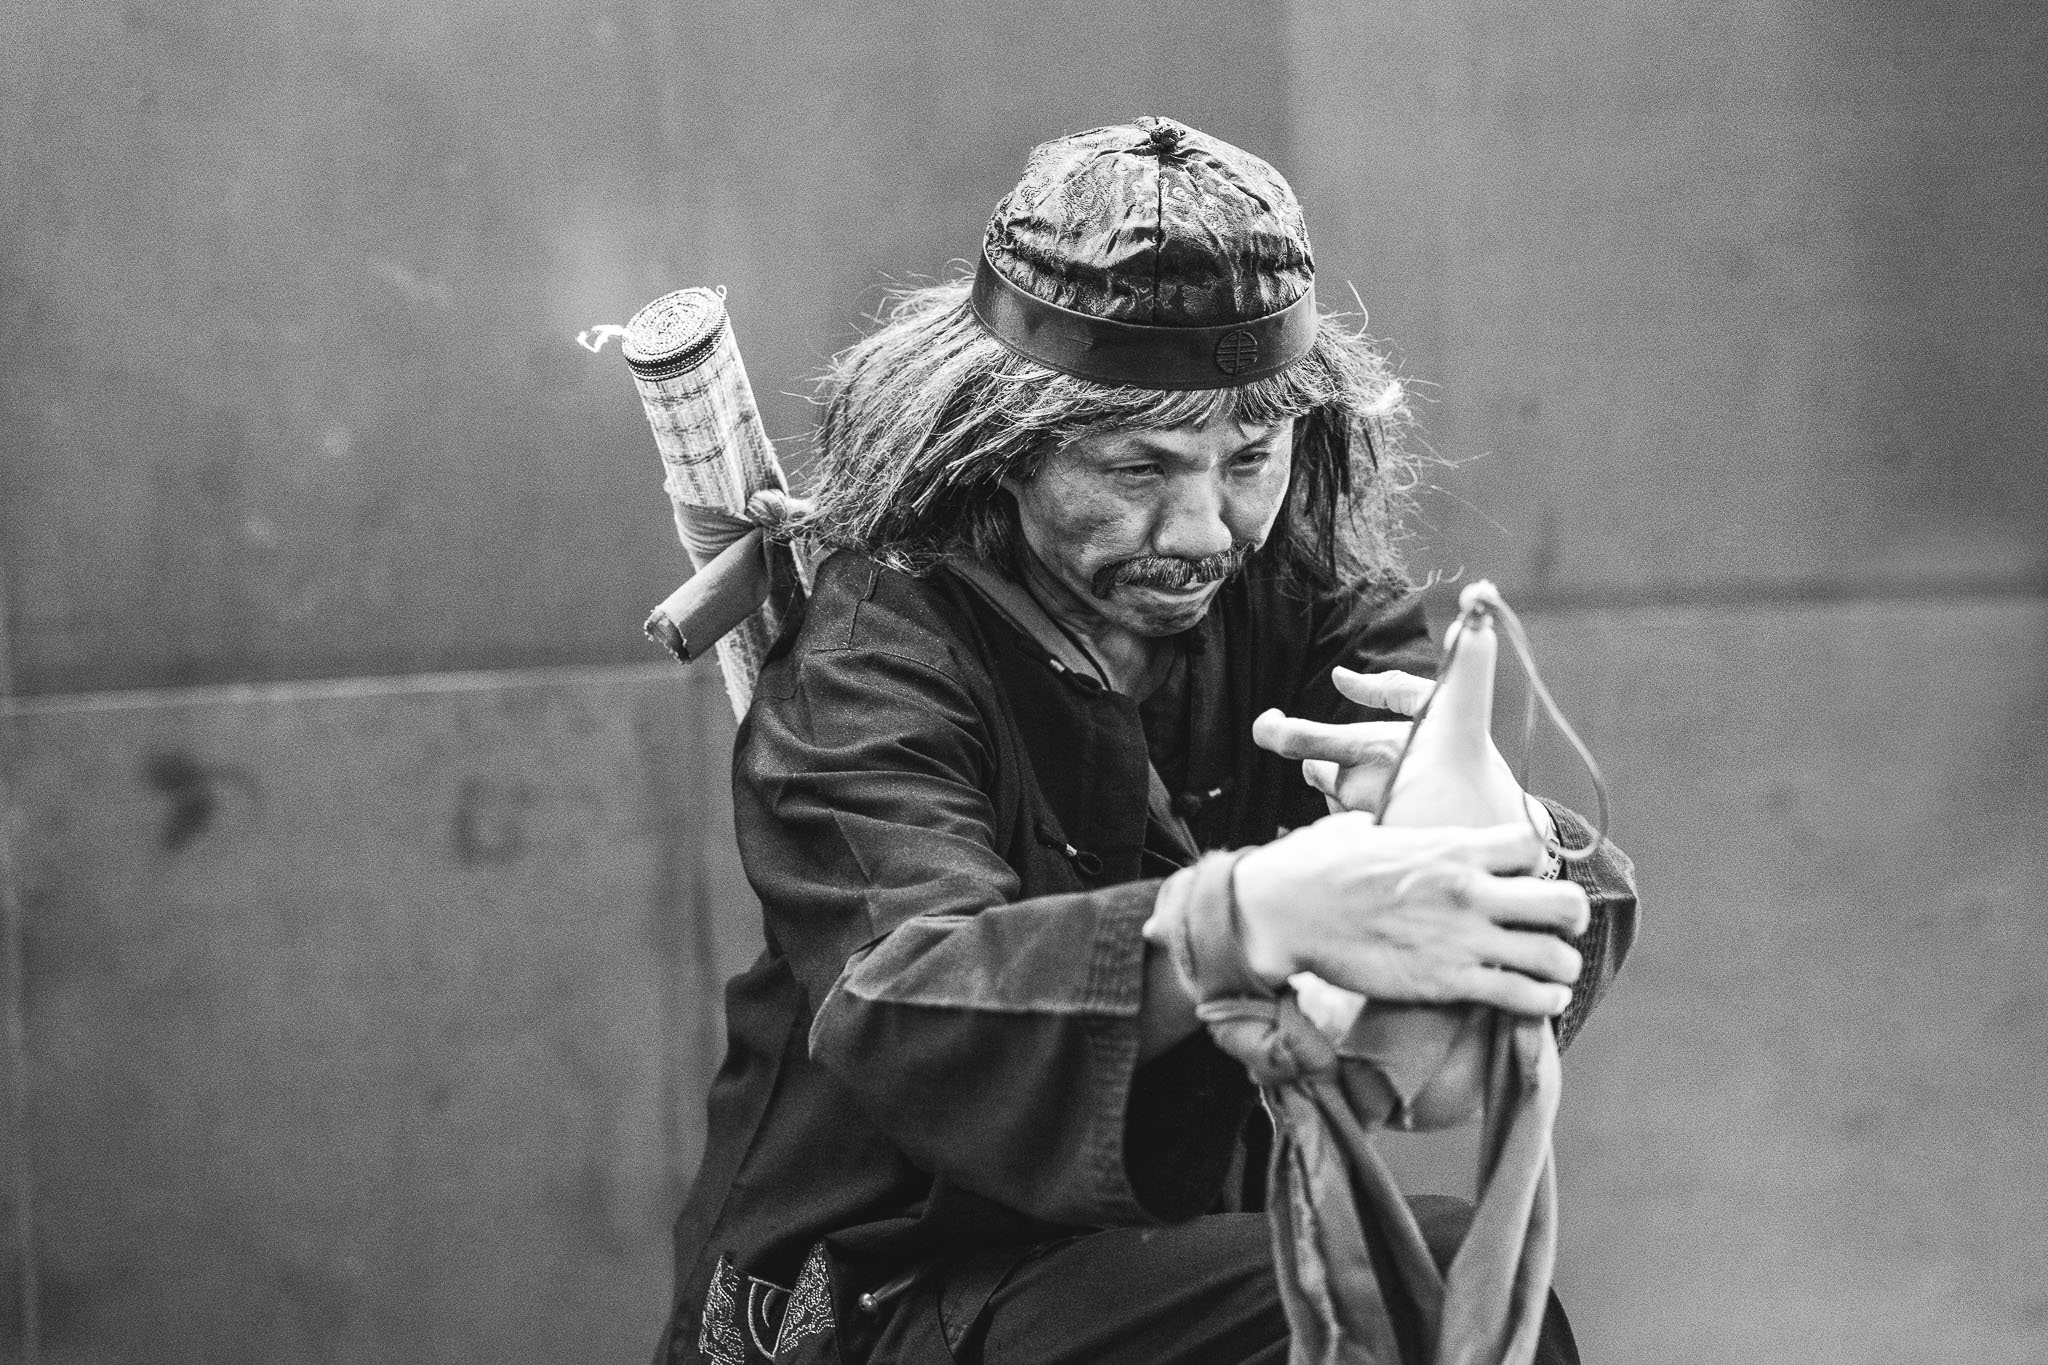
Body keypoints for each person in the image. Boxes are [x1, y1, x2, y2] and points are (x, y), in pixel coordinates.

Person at [656, 116, 1638, 1365]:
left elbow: (1437, 1064)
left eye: (1248, 459)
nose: (1203, 530)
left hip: (1186, 1258)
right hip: (886, 1292)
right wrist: (1228, 921)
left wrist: (1505, 847)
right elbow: (903, 1003)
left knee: (1450, 1294)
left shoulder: (1304, 605)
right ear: (998, 447)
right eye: (1135, 468)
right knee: (1420, 1285)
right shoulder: (872, 657)